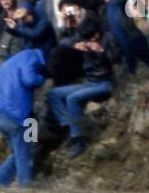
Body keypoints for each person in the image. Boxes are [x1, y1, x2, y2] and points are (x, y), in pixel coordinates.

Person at [46, 19, 115, 159]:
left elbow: (116, 59)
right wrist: (75, 45)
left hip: (104, 83)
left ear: (96, 34)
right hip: (89, 81)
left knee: (72, 98)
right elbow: (63, 43)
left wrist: (101, 52)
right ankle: (67, 124)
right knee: (53, 93)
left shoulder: (108, 38)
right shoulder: (83, 39)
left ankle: (78, 138)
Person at [0, 48, 48, 188]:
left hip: (3, 114)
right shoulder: (32, 57)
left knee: (19, 153)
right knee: (24, 155)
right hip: (20, 116)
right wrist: (42, 78)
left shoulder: (12, 61)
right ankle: (25, 187)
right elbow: (29, 80)